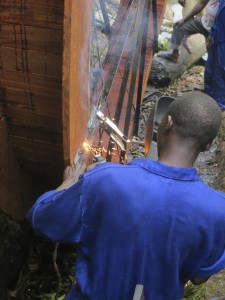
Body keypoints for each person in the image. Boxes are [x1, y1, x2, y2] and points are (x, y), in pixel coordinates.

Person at [27, 91, 225, 300]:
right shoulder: (218, 210)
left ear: (166, 123)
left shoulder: (104, 180)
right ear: (209, 145)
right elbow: (199, 277)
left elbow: (42, 220)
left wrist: (68, 184)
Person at [204, 0, 225, 110]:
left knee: (220, 73)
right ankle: (208, 96)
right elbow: (217, 18)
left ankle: (219, 104)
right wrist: (211, 34)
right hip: (217, 37)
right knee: (210, 69)